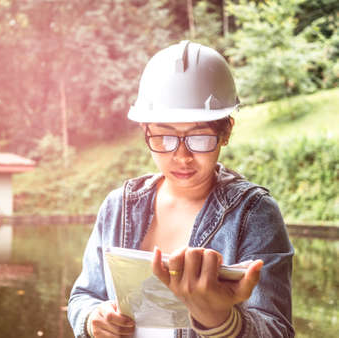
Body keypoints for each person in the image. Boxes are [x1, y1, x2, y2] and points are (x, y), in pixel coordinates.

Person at [67, 40, 294, 338]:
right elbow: (83, 295)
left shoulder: (253, 214)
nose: (182, 156)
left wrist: (221, 322)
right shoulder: (119, 206)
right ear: (146, 131)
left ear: (225, 132)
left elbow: (277, 330)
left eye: (199, 138)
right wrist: (92, 319)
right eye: (164, 138)